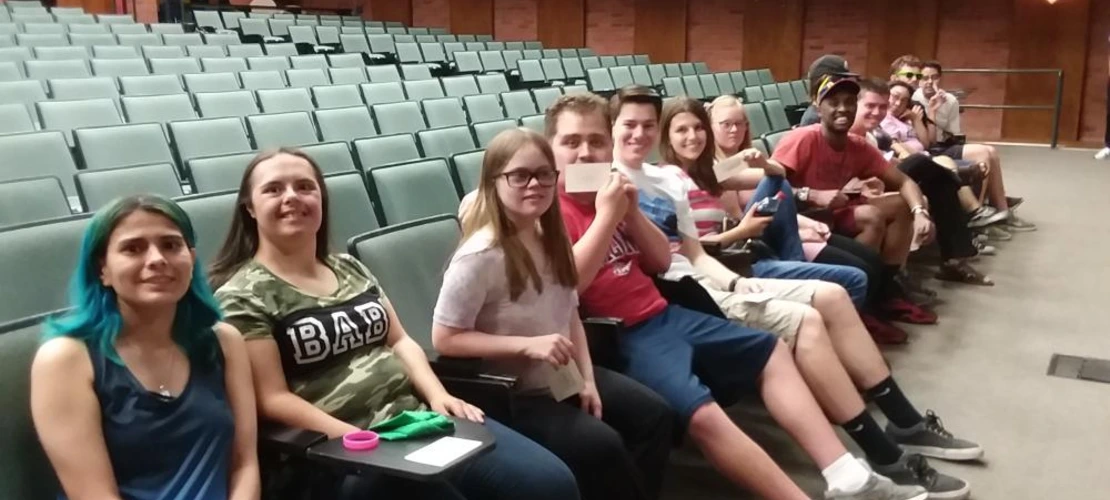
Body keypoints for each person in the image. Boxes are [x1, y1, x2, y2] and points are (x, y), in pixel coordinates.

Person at [548, 91, 939, 500]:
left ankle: (846, 475)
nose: (585, 153)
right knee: (702, 411)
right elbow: (568, 287)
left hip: (665, 312)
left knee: (771, 351)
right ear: (551, 147)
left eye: (595, 141)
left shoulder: (615, 191)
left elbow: (661, 260)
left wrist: (628, 211)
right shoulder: (549, 208)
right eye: (572, 142)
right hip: (624, 334)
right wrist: (608, 216)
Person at [209, 149, 580, 500]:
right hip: (340, 452)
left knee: (549, 484)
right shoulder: (243, 295)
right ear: (249, 207)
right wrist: (356, 438)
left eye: (305, 186)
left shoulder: (349, 267)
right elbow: (272, 398)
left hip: (411, 421)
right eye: (273, 189)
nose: (292, 197)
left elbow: (399, 340)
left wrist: (438, 395)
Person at [432, 128, 675, 500]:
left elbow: (569, 311)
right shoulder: (480, 255)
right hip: (513, 390)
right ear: (494, 181)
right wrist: (526, 345)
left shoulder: (550, 234)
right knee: (603, 447)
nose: (535, 184)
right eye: (520, 175)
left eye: (544, 174)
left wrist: (586, 379)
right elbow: (445, 339)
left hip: (561, 376)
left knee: (654, 415)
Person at [31, 195, 260, 500]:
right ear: (102, 269)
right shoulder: (66, 359)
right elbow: (93, 495)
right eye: (133, 248)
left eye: (171, 245)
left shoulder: (224, 341)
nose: (157, 259)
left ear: (191, 259)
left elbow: (244, 465)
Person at [707, 94, 910, 341]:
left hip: (780, 228)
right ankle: (852, 324)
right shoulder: (714, 167)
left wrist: (806, 222)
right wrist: (801, 226)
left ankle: (870, 313)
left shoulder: (747, 158)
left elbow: (777, 188)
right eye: (726, 124)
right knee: (861, 270)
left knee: (871, 261)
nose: (735, 130)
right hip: (753, 241)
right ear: (711, 126)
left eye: (740, 123)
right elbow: (742, 217)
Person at [775, 76, 947, 324]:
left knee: (900, 205)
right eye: (834, 102)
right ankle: (859, 294)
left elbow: (904, 182)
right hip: (797, 220)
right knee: (871, 217)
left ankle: (887, 288)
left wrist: (920, 212)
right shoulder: (802, 139)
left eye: (849, 102)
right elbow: (766, 187)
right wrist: (810, 194)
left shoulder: (857, 145)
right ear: (818, 107)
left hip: (831, 214)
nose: (843, 108)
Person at [853, 79, 993, 286]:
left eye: (882, 107)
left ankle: (955, 260)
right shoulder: (845, 132)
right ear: (855, 105)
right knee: (922, 164)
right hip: (858, 193)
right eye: (870, 106)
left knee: (937, 182)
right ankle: (957, 181)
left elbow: (886, 164)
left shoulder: (870, 136)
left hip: (881, 180)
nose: (877, 112)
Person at [897, 57, 1035, 234]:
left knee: (990, 152)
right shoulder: (906, 99)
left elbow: (948, 135)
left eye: (933, 77)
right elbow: (924, 142)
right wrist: (929, 114)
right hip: (927, 150)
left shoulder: (944, 101)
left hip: (941, 144)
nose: (927, 82)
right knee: (982, 155)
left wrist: (933, 113)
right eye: (922, 77)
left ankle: (1001, 211)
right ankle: (978, 216)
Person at [886, 81, 1007, 235]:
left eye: (903, 100)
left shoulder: (908, 116)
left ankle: (983, 213)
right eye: (895, 97)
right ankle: (975, 213)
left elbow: (926, 143)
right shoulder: (884, 119)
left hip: (929, 154)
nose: (898, 103)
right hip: (918, 160)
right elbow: (893, 144)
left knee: (982, 156)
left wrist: (916, 119)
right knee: (952, 167)